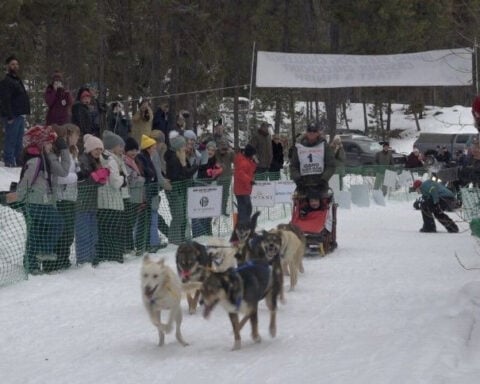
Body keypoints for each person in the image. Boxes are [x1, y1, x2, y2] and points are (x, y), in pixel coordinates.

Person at [13, 125, 69, 274]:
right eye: (49, 142)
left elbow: (63, 171)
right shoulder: (36, 161)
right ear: (40, 143)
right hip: (35, 202)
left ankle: (31, 264)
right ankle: (43, 251)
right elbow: (26, 182)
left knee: (35, 233)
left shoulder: (45, 158)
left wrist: (61, 150)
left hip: (44, 202)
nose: (52, 145)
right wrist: (19, 199)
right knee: (57, 224)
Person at [75, 134, 108, 265]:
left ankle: (92, 256)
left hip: (92, 202)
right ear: (89, 149)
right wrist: (94, 177)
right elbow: (81, 180)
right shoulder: (82, 160)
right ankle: (84, 259)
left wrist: (101, 178)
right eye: (96, 149)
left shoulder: (97, 161)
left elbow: (95, 181)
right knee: (83, 232)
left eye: (100, 149)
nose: (98, 152)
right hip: (82, 202)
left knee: (93, 232)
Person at [52, 123, 80, 271]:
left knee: (69, 232)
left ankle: (64, 258)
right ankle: (58, 259)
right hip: (61, 196)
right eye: (75, 135)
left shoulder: (74, 152)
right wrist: (76, 176)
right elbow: (60, 176)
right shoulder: (60, 153)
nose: (77, 138)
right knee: (64, 230)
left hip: (72, 196)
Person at [95, 130, 127, 265]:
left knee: (105, 230)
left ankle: (106, 254)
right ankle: (115, 255)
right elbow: (115, 182)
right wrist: (123, 178)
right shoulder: (111, 160)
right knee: (114, 230)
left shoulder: (102, 157)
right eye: (120, 146)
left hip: (102, 201)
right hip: (112, 201)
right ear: (113, 146)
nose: (122, 149)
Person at [164, 135, 198, 244]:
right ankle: (174, 240)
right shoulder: (174, 159)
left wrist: (189, 166)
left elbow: (186, 172)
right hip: (175, 190)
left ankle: (181, 238)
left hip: (181, 190)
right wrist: (188, 166)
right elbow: (181, 174)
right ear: (179, 147)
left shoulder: (181, 156)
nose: (185, 147)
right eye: (183, 145)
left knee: (183, 215)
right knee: (178, 216)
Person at [136, 134, 167, 253]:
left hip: (152, 191)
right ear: (148, 148)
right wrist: (152, 175)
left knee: (151, 218)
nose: (155, 149)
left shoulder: (149, 158)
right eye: (153, 147)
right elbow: (147, 172)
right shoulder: (142, 157)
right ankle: (145, 243)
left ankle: (151, 242)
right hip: (146, 192)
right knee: (145, 219)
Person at [289, 122, 336, 196]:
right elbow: (293, 166)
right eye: (309, 131)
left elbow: (331, 165)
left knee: (322, 207)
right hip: (303, 186)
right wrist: (298, 180)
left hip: (320, 185)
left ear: (318, 133)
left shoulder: (324, 146)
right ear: (306, 132)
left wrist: (324, 179)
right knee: (302, 207)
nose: (312, 133)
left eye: (314, 131)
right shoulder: (299, 147)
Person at [0, 55, 30, 167]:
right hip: (12, 115)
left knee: (18, 140)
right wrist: (9, 116)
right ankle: (9, 160)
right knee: (11, 138)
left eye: (17, 64)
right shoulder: (6, 81)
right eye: (13, 64)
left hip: (20, 114)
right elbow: (5, 100)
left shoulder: (17, 80)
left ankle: (18, 160)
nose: (15, 66)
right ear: (8, 66)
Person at [192, 141, 223, 237]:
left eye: (212, 150)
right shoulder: (201, 157)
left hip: (210, 187)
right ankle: (199, 234)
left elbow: (217, 172)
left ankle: (208, 232)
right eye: (209, 149)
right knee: (199, 209)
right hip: (199, 186)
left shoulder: (215, 160)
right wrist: (206, 173)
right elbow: (197, 170)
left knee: (209, 210)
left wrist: (217, 173)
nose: (210, 152)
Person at [122, 137, 144, 254]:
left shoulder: (135, 162)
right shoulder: (125, 162)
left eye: (136, 150)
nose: (134, 153)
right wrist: (141, 180)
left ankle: (130, 246)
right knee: (129, 223)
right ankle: (128, 246)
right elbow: (131, 179)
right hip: (130, 196)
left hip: (136, 196)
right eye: (131, 150)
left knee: (132, 222)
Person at [233, 144, 257, 224]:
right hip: (241, 190)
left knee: (247, 208)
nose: (254, 156)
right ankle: (243, 225)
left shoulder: (246, 160)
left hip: (244, 189)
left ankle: (244, 223)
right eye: (253, 154)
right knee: (245, 208)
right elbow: (241, 174)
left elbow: (250, 169)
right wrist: (250, 180)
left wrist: (254, 162)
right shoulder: (242, 161)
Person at [216, 138, 235, 215]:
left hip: (227, 177)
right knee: (217, 193)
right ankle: (216, 209)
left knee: (225, 194)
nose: (223, 151)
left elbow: (235, 161)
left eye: (224, 149)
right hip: (217, 178)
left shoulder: (230, 153)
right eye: (221, 149)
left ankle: (223, 209)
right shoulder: (216, 153)